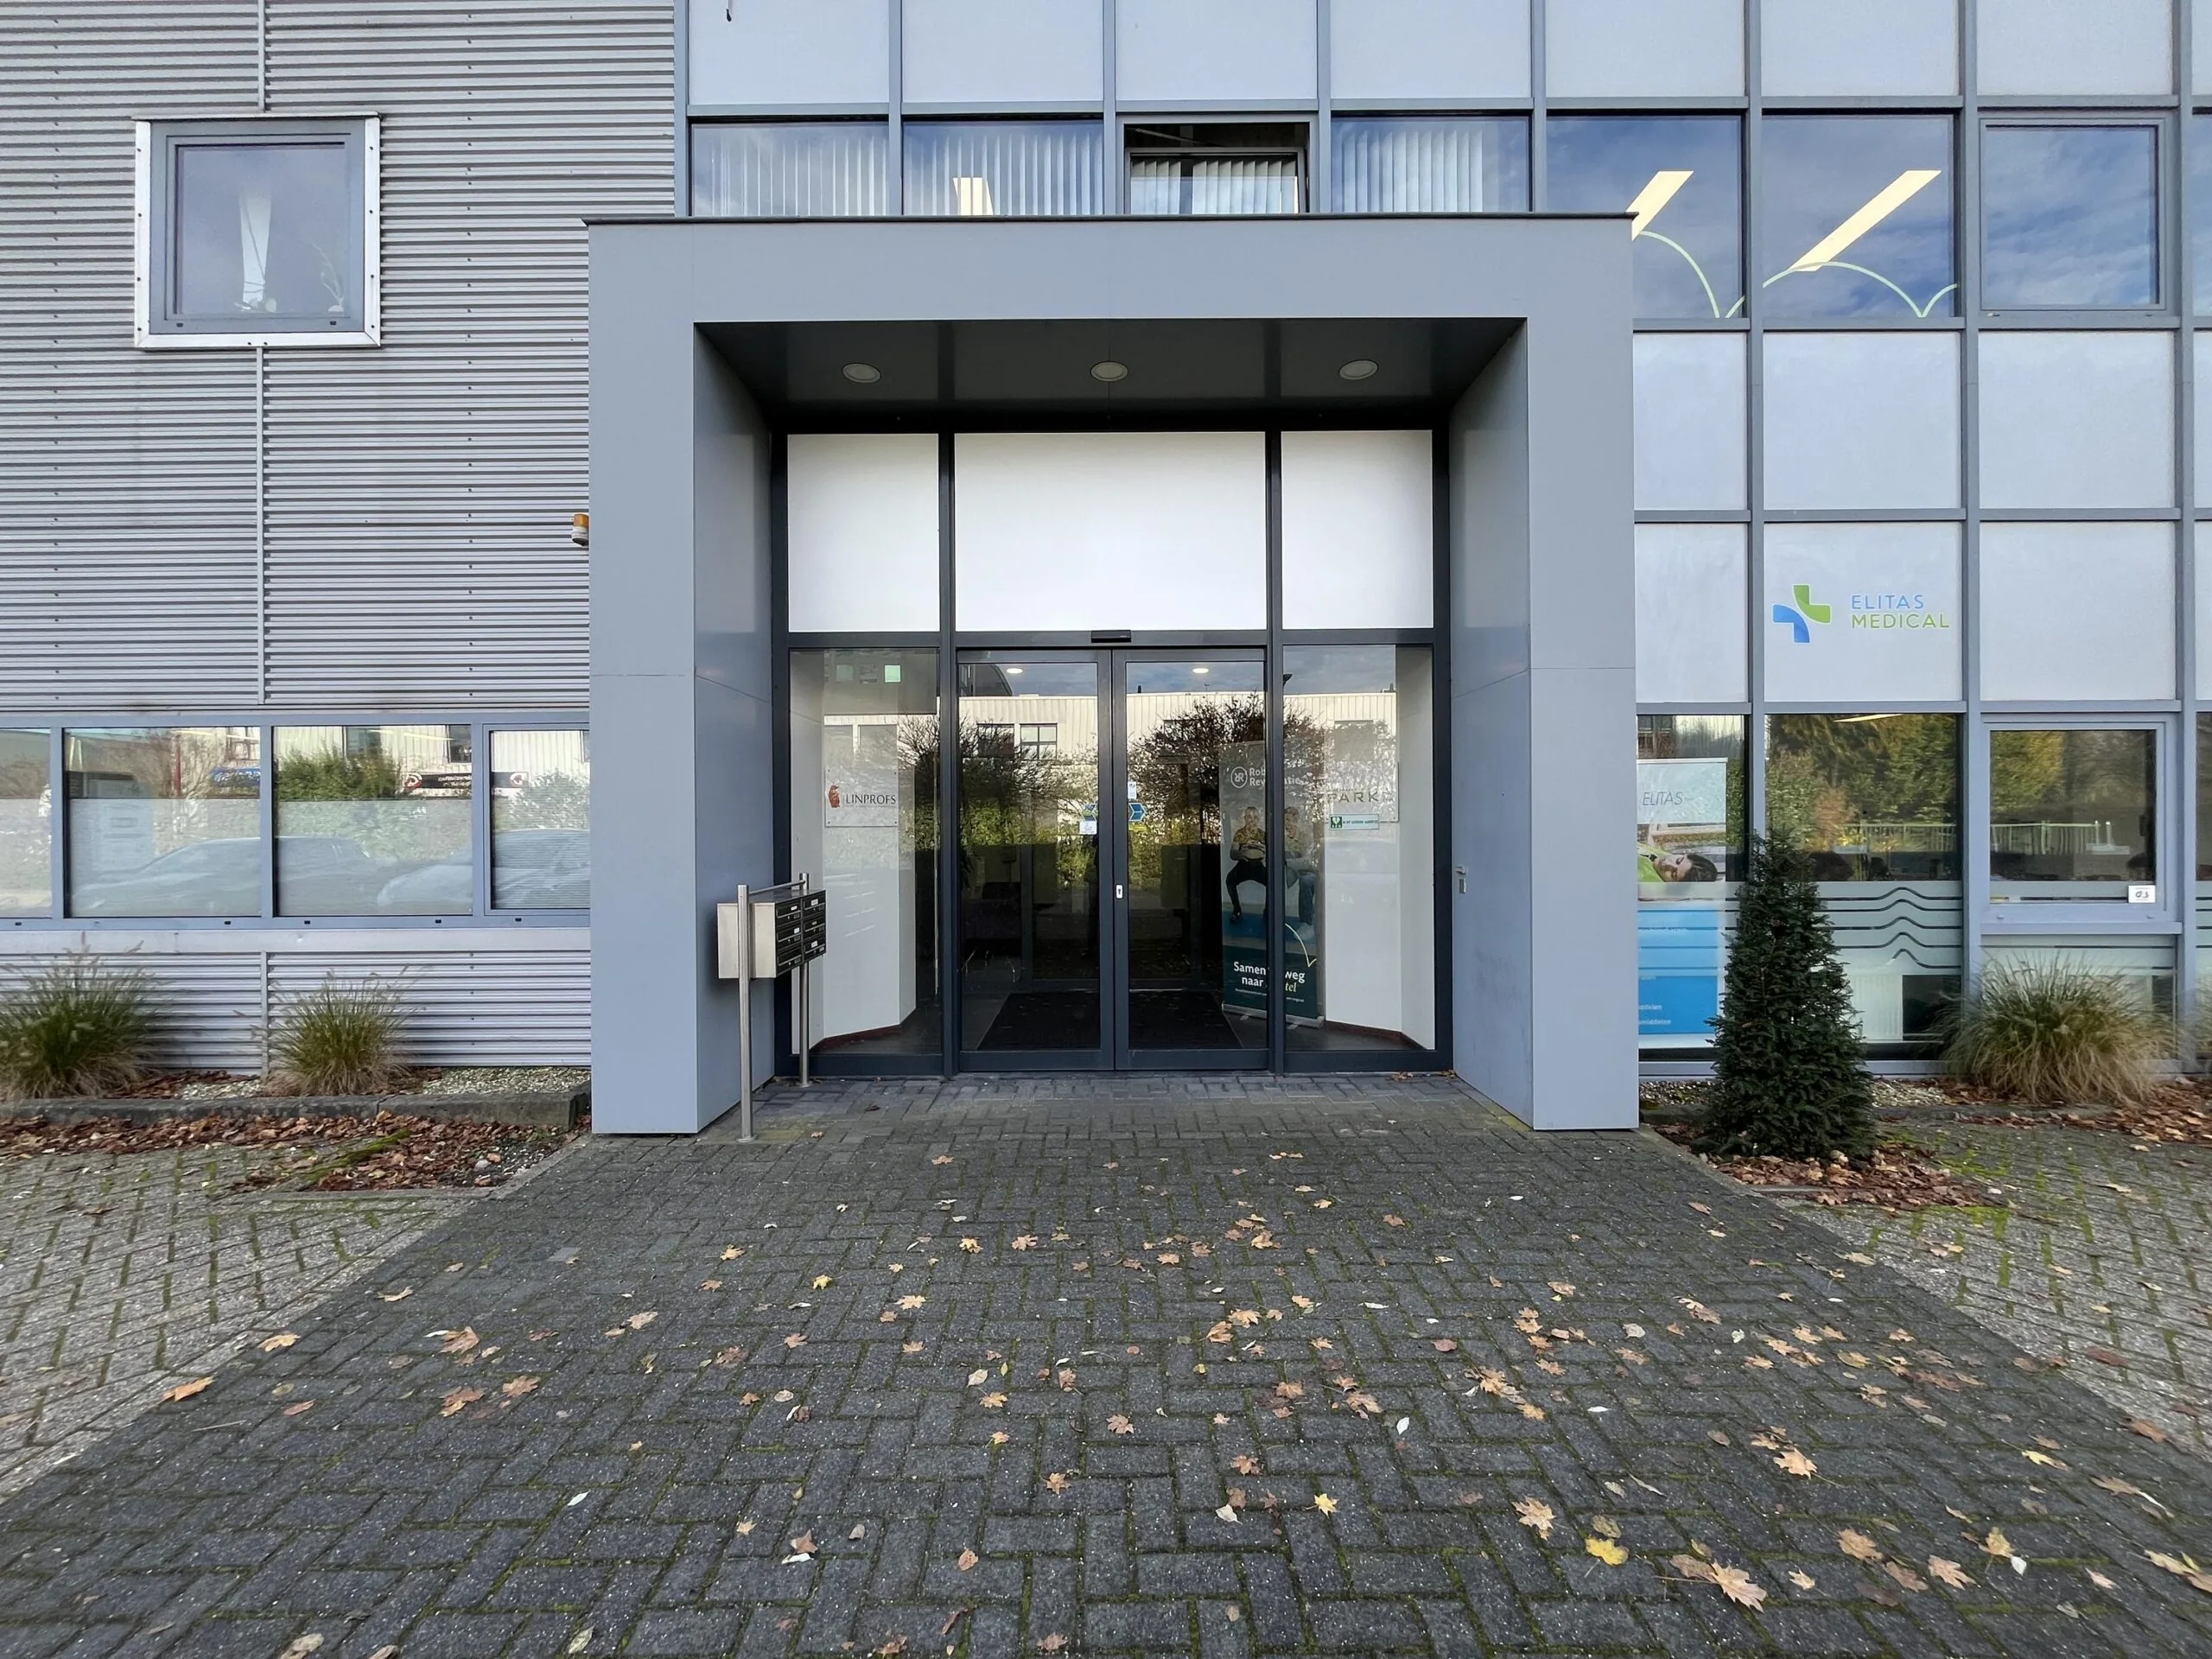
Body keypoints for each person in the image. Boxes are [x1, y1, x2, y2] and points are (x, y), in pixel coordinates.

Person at [1224, 806, 1268, 920]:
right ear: (1245, 818)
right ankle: (1237, 910)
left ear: (1258, 819)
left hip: (1258, 866)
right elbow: (1232, 854)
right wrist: (1240, 853)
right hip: (1243, 866)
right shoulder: (1240, 834)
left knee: (1273, 882)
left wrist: (1265, 854)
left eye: (1255, 817)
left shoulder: (1263, 835)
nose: (1252, 820)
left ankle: (1268, 910)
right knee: (1230, 880)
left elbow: (1272, 852)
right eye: (1249, 817)